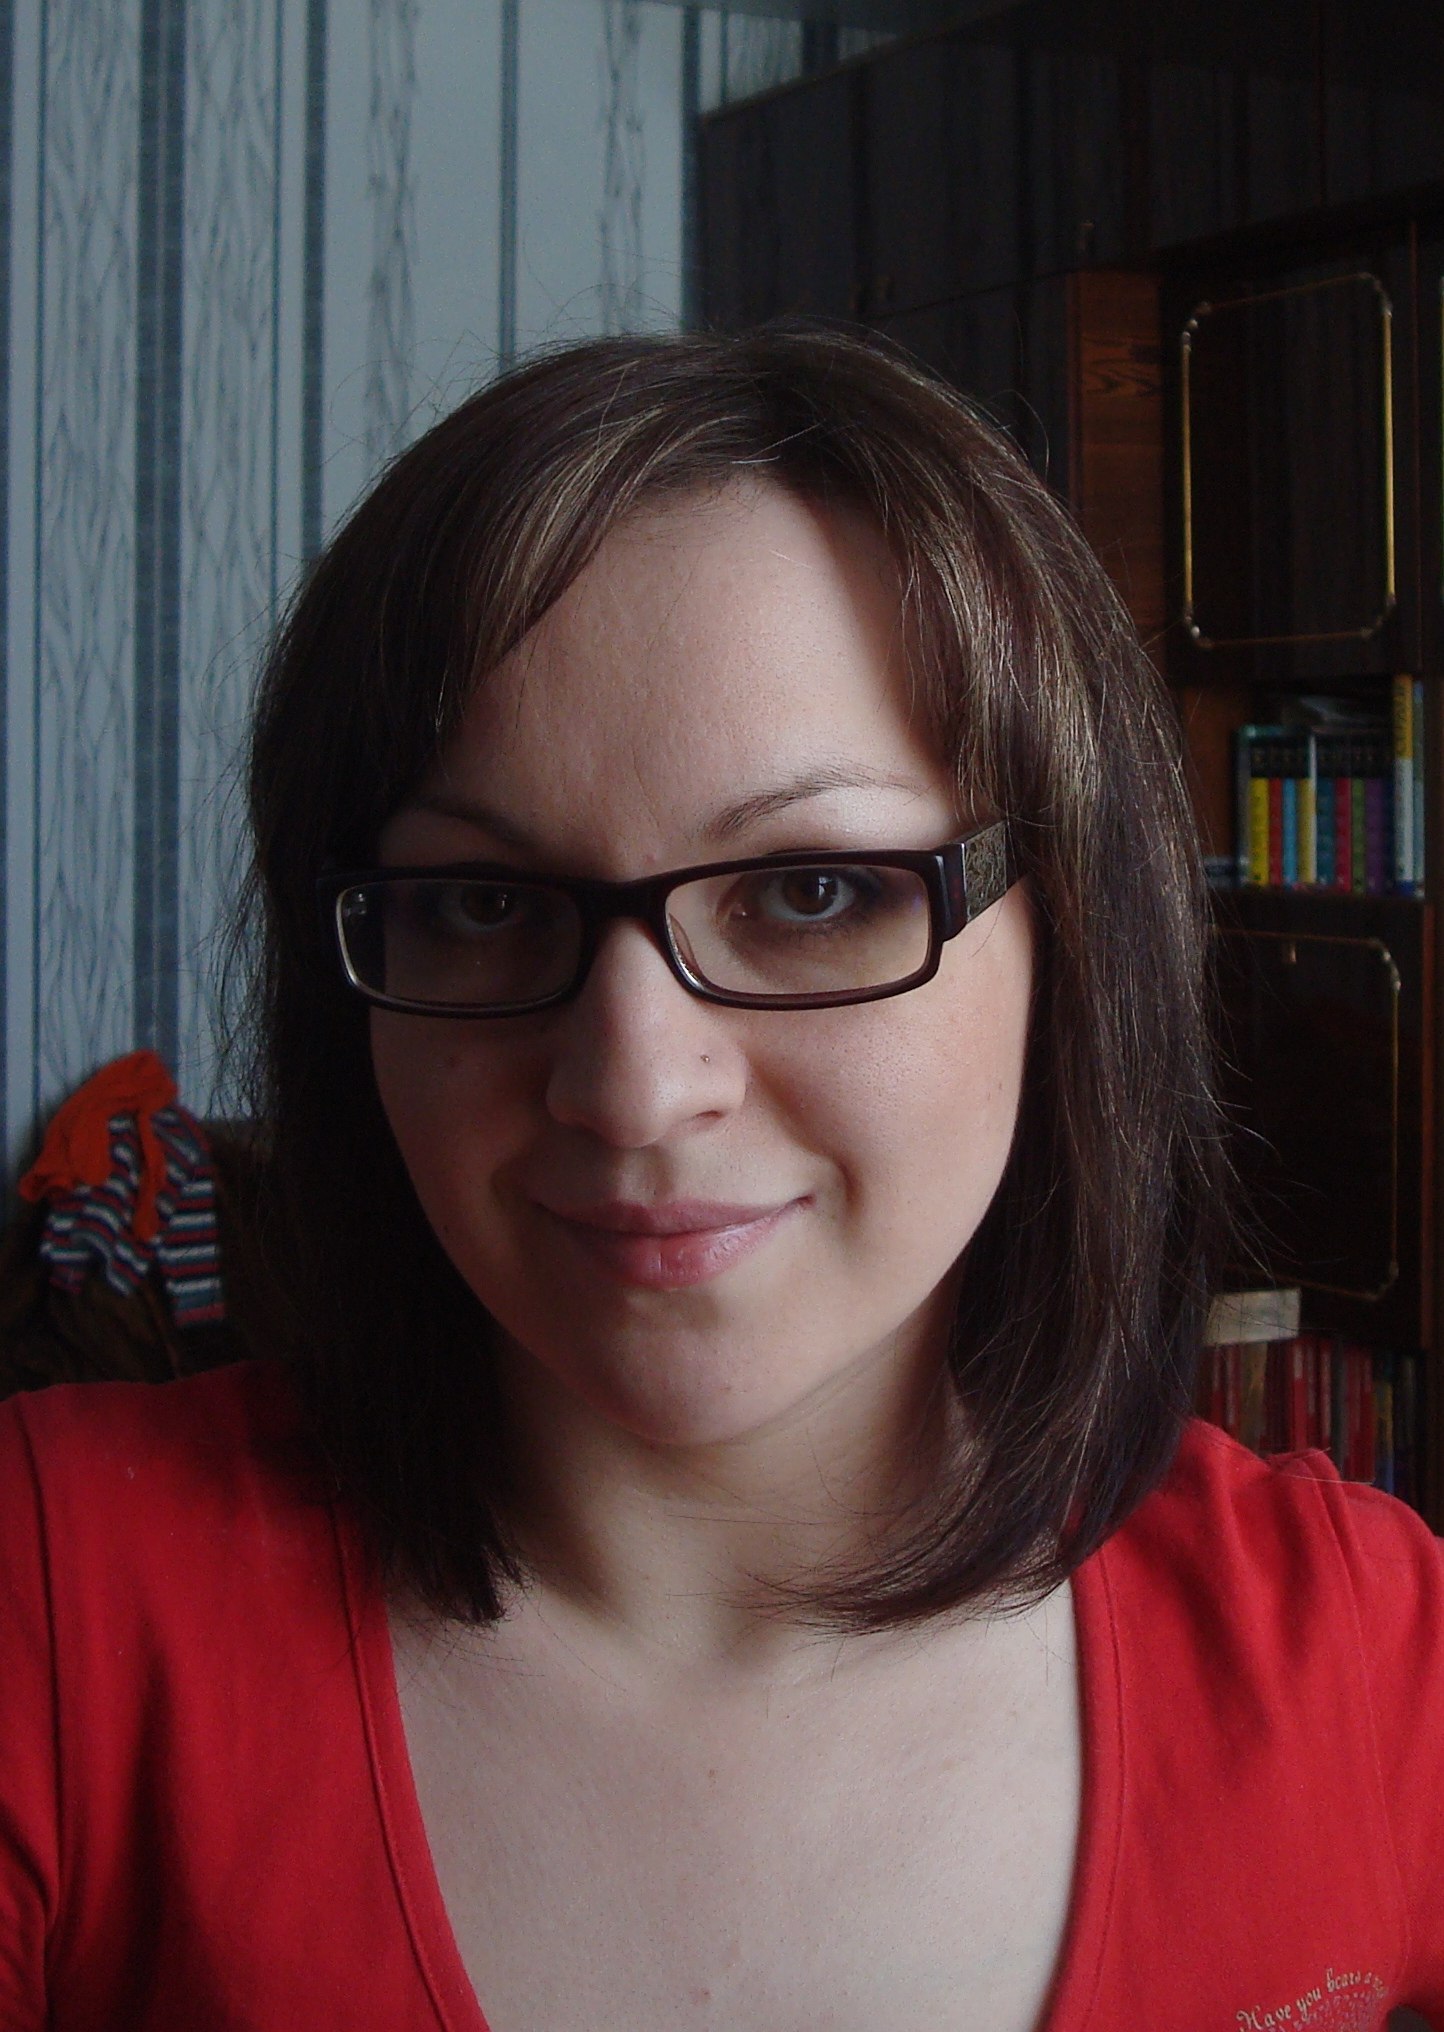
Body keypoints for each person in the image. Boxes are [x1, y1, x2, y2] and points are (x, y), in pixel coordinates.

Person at [1, 326, 1441, 2031]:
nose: (633, 1087)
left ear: (1070, 930)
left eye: (812, 892)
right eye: (481, 904)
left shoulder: (1373, 1660)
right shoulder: (54, 1611)